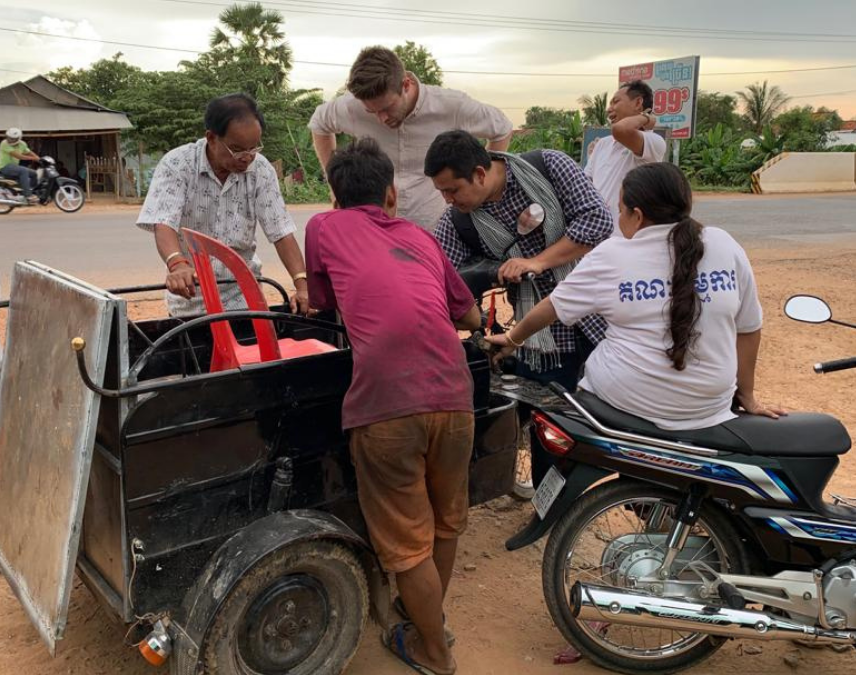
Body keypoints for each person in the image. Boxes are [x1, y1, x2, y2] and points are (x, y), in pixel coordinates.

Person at [305, 138, 480, 675]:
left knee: (407, 543)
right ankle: (426, 617)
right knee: (445, 523)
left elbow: (320, 302)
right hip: (455, 396)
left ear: (334, 195)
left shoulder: (323, 228)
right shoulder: (421, 237)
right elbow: (469, 317)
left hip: (385, 404)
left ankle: (433, 651)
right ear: (391, 194)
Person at [488, 162, 784, 429]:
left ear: (637, 215)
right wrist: (746, 394)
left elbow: (550, 307)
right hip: (709, 407)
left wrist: (513, 339)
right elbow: (748, 328)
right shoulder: (723, 243)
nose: (619, 218)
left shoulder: (612, 255)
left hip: (627, 401)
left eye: (620, 210)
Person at [426, 129, 613, 390]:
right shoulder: (456, 221)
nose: (447, 200)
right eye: (441, 192)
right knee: (551, 420)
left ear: (480, 174)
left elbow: (598, 220)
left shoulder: (549, 166)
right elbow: (438, 276)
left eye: (453, 189)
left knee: (609, 414)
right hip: (538, 343)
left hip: (599, 316)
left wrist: (538, 261)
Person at [137, 93, 309, 317]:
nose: (247, 157)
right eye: (237, 149)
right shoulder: (177, 164)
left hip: (244, 296)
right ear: (211, 138)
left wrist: (302, 285)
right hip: (191, 299)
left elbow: (281, 231)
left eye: (254, 148)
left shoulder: (261, 170)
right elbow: (164, 223)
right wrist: (178, 265)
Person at [309, 45, 513, 232]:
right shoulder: (351, 107)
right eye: (372, 112)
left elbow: (502, 128)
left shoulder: (452, 106)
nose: (382, 118)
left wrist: (478, 191)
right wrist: (335, 186)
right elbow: (319, 123)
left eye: (387, 108)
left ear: (405, 84)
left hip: (438, 230)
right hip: (377, 230)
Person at [585, 81, 667, 226]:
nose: (609, 109)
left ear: (638, 103)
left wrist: (647, 118)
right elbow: (586, 183)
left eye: (615, 102)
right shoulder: (603, 144)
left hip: (624, 237)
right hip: (596, 233)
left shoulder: (654, 141)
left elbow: (621, 130)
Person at [0, 128, 40, 203]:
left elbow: (29, 152)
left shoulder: (22, 144)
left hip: (14, 167)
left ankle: (31, 191)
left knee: (34, 173)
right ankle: (28, 195)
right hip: (4, 167)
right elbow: (19, 156)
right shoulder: (4, 143)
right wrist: (33, 158)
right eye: (9, 138)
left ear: (19, 138)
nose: (10, 140)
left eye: (13, 139)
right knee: (23, 170)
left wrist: (39, 159)